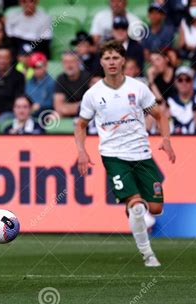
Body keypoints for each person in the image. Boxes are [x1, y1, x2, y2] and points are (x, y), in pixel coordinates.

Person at [74, 40, 176, 267]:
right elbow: (80, 125)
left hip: (142, 153)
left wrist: (166, 139)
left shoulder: (137, 88)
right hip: (114, 156)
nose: (111, 62)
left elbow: (160, 115)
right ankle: (148, 254)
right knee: (137, 206)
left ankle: (134, 211)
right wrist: (81, 151)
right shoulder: (93, 94)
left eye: (115, 58)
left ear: (123, 61)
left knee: (156, 208)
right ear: (101, 62)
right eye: (107, 58)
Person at [53, 51, 92, 118]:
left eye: (72, 61)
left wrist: (66, 108)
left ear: (79, 62)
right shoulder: (61, 78)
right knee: (53, 116)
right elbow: (58, 107)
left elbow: (92, 105)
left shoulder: (88, 78)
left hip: (86, 115)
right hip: (69, 113)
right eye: (65, 62)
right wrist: (80, 105)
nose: (69, 65)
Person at [167, 66, 196, 133]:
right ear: (175, 82)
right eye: (180, 80)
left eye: (187, 79)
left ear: (192, 82)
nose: (184, 83)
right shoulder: (169, 102)